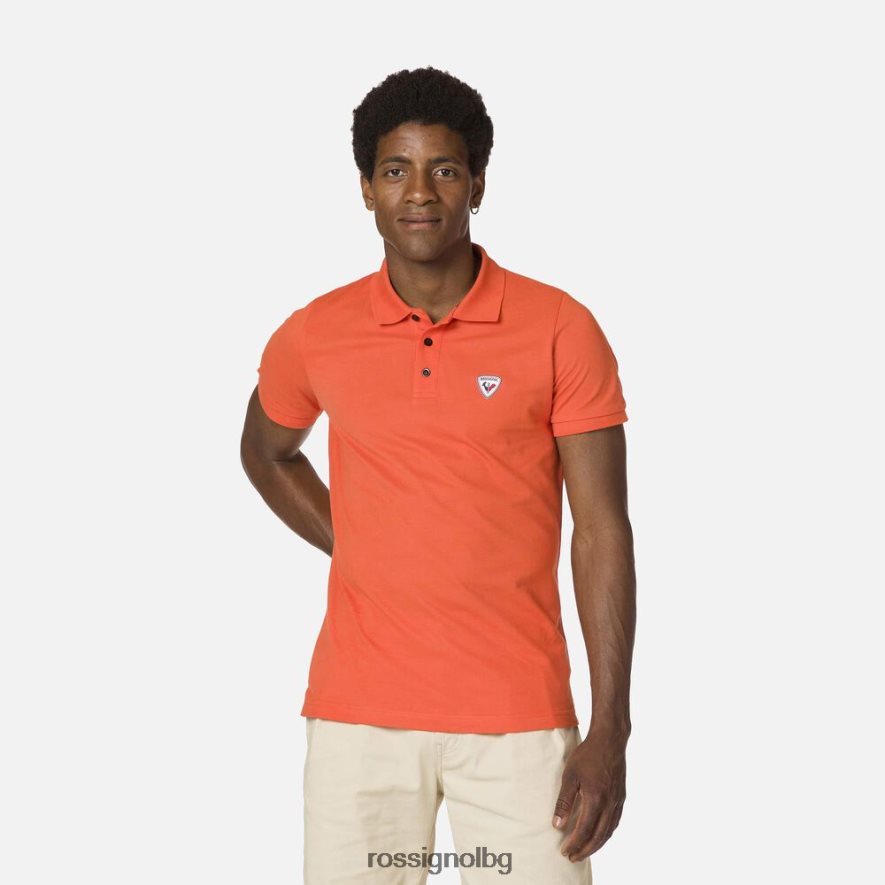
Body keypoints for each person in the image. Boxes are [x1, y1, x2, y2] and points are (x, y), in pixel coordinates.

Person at [240, 66, 636, 884]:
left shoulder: (559, 327)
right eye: (395, 170)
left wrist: (610, 729)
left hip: (519, 720)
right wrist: (360, 543)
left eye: (444, 169)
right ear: (365, 187)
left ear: (477, 184)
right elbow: (267, 451)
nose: (418, 192)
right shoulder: (315, 332)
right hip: (358, 720)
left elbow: (600, 529)